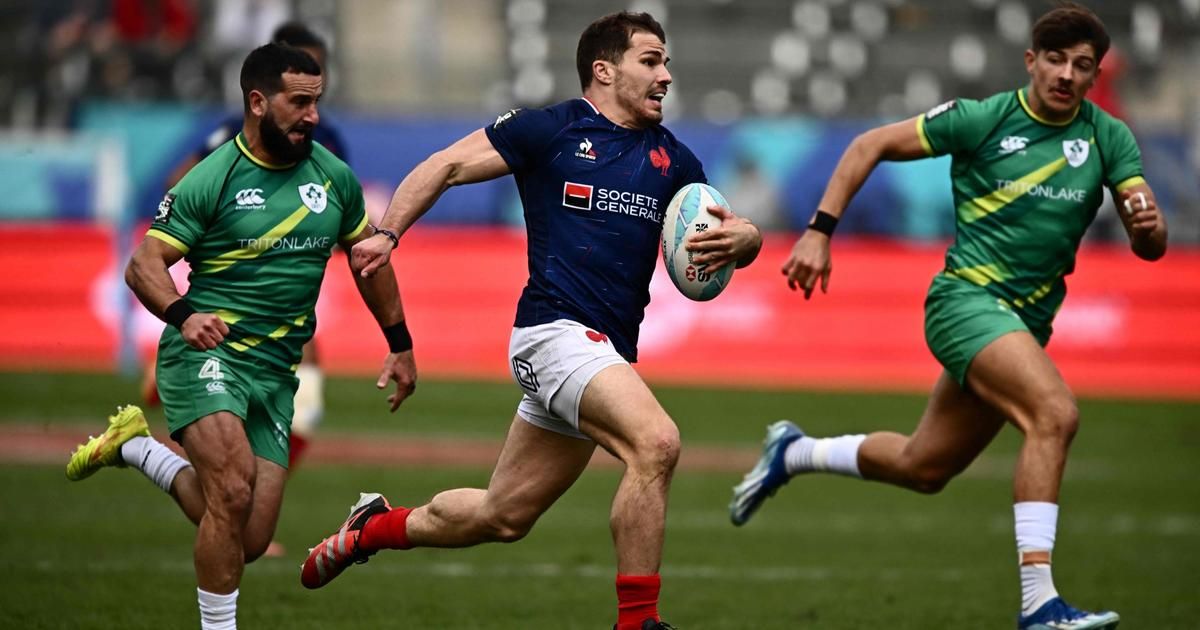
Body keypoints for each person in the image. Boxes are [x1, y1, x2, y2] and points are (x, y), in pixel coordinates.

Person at [299, 12, 761, 630]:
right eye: (650, 61)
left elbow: (725, 233)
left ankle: (370, 528)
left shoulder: (673, 160)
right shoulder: (551, 129)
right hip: (552, 334)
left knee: (503, 516)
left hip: (604, 352)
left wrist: (748, 238)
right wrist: (387, 232)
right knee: (656, 443)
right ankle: (638, 623)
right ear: (605, 69)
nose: (666, 76)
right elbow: (447, 165)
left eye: (666, 62)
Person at [729, 4, 1166, 629]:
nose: (1067, 74)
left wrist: (1149, 228)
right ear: (1031, 61)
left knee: (924, 466)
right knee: (1054, 413)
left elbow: (1148, 241)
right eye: (1056, 59)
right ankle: (1039, 602)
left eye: (1082, 65)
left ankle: (794, 452)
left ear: (1095, 75)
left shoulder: (1109, 137)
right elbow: (868, 144)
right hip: (965, 303)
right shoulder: (985, 118)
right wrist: (819, 231)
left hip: (1023, 324)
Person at [65, 43, 417, 630]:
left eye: (317, 102)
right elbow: (142, 265)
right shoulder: (214, 177)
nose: (313, 116)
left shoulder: (333, 178)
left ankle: (136, 447)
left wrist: (400, 342)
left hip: (276, 371)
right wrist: (183, 315)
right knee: (230, 489)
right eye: (299, 102)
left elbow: (366, 262)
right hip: (207, 352)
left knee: (247, 537)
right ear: (258, 102)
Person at [153, 21, 349, 472]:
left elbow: (338, 217)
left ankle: (249, 503)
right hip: (231, 297)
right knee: (245, 463)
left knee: (299, 413)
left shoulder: (326, 141)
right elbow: (178, 182)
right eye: (304, 68)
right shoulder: (234, 135)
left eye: (319, 71)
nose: (313, 81)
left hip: (286, 308)